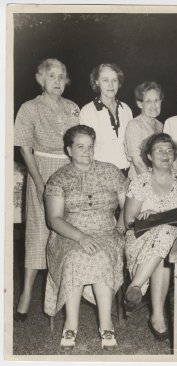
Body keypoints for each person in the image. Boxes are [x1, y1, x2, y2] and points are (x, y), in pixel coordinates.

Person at [44, 125, 127, 351]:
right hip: (68, 233)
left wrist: (120, 227)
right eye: (80, 147)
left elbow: (128, 208)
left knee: (100, 254)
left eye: (90, 146)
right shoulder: (58, 178)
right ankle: (71, 324)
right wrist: (80, 237)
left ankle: (106, 324)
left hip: (106, 231)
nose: (87, 151)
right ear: (69, 150)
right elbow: (54, 219)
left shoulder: (110, 171)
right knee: (75, 257)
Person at [13, 58, 80, 321]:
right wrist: (40, 182)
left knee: (66, 232)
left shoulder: (73, 108)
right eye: (52, 76)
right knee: (38, 232)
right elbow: (24, 149)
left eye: (62, 76)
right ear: (41, 79)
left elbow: (78, 145)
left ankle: (60, 295)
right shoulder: (29, 108)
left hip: (67, 172)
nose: (57, 81)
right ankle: (26, 294)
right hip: (40, 168)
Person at [123, 133, 177, 340]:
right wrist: (143, 217)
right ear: (148, 155)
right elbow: (128, 221)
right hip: (140, 238)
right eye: (159, 150)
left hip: (176, 239)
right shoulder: (139, 181)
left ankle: (135, 286)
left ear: (175, 154)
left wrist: (162, 216)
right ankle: (157, 316)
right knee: (163, 241)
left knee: (167, 231)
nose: (165, 154)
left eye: (169, 150)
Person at [80, 63, 133, 175]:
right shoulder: (87, 111)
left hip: (126, 173)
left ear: (119, 83)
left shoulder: (126, 109)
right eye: (105, 80)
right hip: (100, 174)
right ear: (97, 82)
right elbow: (85, 150)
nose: (111, 85)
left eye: (114, 80)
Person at [124, 81, 164, 179]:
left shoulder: (160, 125)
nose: (154, 106)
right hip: (141, 181)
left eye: (156, 100)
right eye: (148, 101)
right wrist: (153, 184)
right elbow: (138, 163)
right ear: (139, 104)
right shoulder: (134, 125)